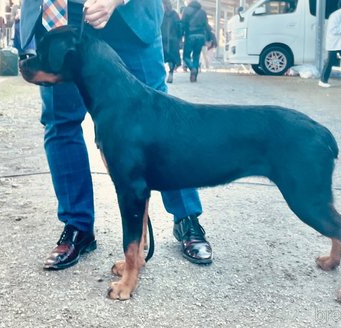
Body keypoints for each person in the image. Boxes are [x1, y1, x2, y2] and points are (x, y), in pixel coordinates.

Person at [19, 0, 213, 270]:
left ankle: (186, 217)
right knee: (60, 121)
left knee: (161, 116)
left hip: (129, 17)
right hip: (60, 13)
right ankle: (78, 226)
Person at [180, 0, 209, 82]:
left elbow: (183, 24)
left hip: (190, 35)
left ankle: (192, 68)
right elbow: (206, 25)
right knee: (196, 55)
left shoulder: (186, 10)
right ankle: (194, 76)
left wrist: (181, 35)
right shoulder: (202, 12)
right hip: (200, 36)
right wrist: (208, 38)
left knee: (186, 56)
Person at [161, 0, 182, 83]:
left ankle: (163, 75)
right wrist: (179, 37)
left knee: (162, 57)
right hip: (173, 39)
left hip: (163, 39)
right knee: (172, 58)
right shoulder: (175, 14)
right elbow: (179, 27)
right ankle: (171, 73)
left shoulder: (161, 14)